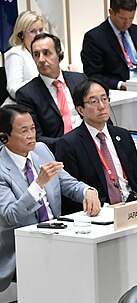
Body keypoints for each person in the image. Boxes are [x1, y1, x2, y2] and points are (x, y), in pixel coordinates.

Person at [0, 104, 100, 292]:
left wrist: (87, 191)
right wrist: (38, 185)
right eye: (24, 131)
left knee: (94, 254)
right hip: (24, 244)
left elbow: (66, 182)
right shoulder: (1, 169)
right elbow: (11, 215)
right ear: (4, 137)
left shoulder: (41, 150)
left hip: (57, 232)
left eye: (32, 128)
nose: (31, 135)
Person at [56, 78, 137, 208]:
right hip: (100, 211)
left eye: (104, 99)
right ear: (80, 110)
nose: (101, 106)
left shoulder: (123, 135)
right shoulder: (69, 144)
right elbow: (71, 193)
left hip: (133, 206)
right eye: (93, 101)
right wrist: (103, 208)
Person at [14, 33, 84, 151]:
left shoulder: (79, 80)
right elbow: (35, 136)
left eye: (46, 53)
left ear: (60, 54)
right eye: (36, 55)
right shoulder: (26, 94)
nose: (41, 59)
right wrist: (68, 144)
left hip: (90, 144)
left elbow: (100, 117)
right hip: (58, 150)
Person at [80, 0, 137, 91]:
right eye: (122, 19)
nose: (127, 23)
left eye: (131, 18)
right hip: (121, 88)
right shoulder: (95, 38)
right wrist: (120, 85)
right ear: (111, 12)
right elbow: (94, 75)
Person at [4, 11, 45, 100]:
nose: (39, 35)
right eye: (33, 31)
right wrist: (40, 85)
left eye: (41, 30)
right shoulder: (15, 54)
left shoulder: (46, 52)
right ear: (21, 35)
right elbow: (13, 88)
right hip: (22, 106)